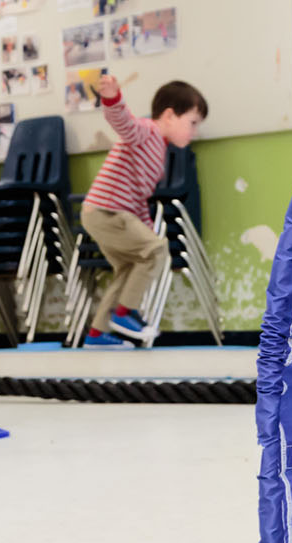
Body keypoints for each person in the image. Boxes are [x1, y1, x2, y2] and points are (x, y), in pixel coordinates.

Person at [80, 76, 207, 348]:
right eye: (192, 123)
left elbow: (139, 199)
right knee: (156, 250)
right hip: (108, 211)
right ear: (170, 115)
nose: (194, 132)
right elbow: (123, 122)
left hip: (106, 213)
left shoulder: (157, 154)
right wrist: (113, 98)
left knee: (128, 267)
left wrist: (147, 227)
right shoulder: (146, 131)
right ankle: (126, 313)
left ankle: (97, 335)